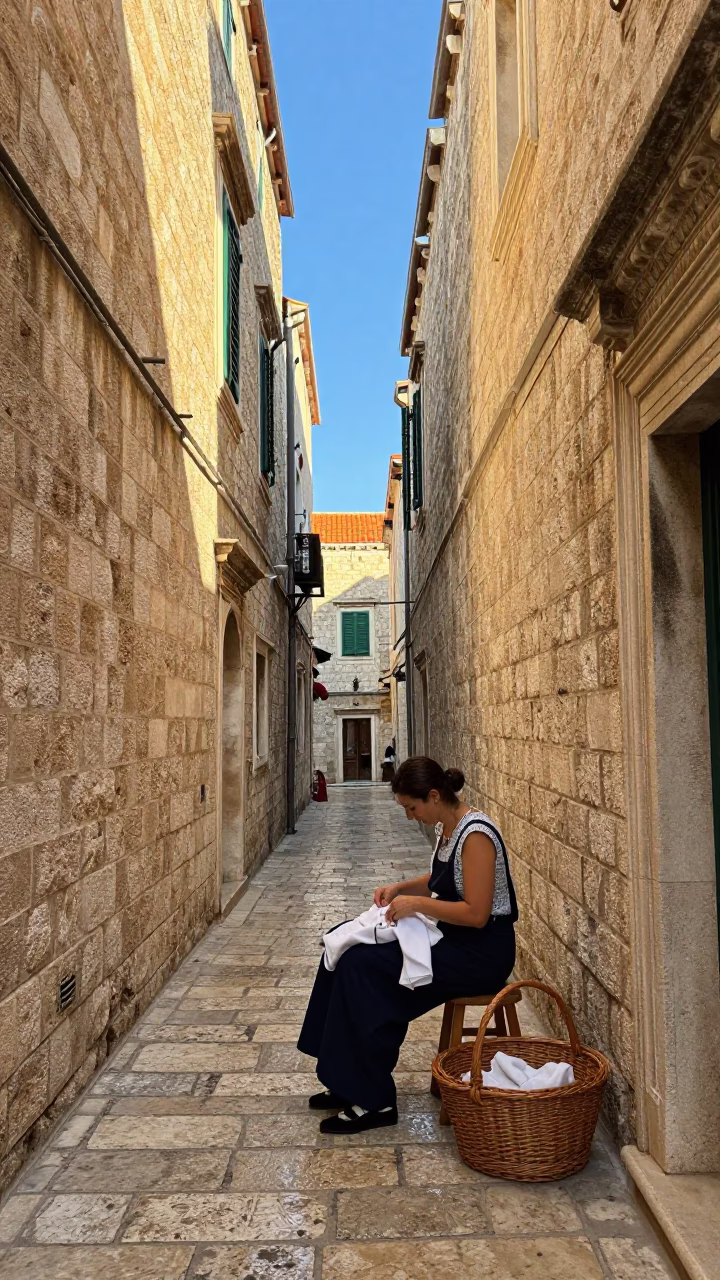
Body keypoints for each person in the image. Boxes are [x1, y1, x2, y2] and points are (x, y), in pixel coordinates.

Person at [297, 755, 518, 1133]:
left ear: (434, 795)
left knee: (365, 968)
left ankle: (375, 1099)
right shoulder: (448, 828)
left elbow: (477, 914)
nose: (410, 816)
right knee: (342, 945)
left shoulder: (476, 835)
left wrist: (417, 905)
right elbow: (439, 879)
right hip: (454, 939)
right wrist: (400, 888)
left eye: (412, 808)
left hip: (480, 954)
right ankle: (345, 1077)